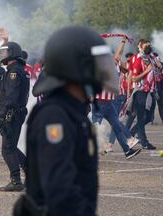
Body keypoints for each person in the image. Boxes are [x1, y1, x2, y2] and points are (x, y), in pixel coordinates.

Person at [14, 26, 118, 216]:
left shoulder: (74, 112)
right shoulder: (54, 116)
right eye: (96, 64)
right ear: (77, 66)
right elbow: (59, 189)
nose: (101, 72)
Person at [0, 42, 29, 192]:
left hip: (12, 114)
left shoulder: (14, 71)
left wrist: (2, 115)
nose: (2, 55)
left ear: (12, 53)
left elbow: (11, 96)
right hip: (16, 113)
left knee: (7, 149)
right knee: (12, 147)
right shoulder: (19, 69)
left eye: (5, 52)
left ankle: (16, 181)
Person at [126, 39, 156, 150]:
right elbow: (133, 77)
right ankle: (141, 140)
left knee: (148, 117)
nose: (149, 47)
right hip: (141, 91)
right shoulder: (138, 59)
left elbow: (157, 69)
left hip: (151, 91)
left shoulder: (150, 58)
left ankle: (133, 134)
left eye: (150, 45)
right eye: (147, 46)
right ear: (141, 47)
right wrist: (147, 71)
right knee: (141, 116)